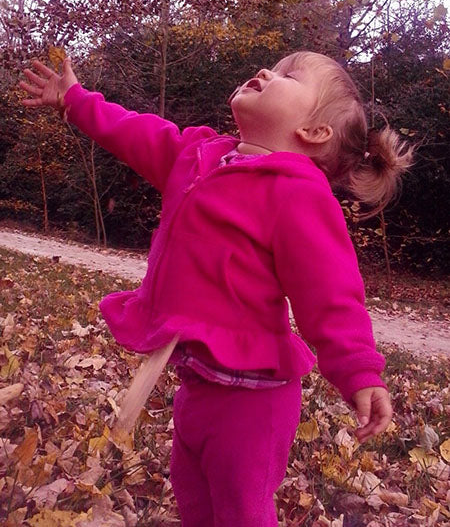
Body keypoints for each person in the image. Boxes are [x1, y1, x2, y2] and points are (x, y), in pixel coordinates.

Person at [20, 51, 413, 527]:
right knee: (194, 498)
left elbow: (331, 294)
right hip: (199, 383)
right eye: (275, 64)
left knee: (241, 512)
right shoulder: (200, 155)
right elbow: (135, 132)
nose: (269, 71)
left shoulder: (297, 194)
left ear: (313, 132)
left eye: (290, 75)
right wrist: (75, 100)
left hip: (254, 401)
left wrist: (359, 372)